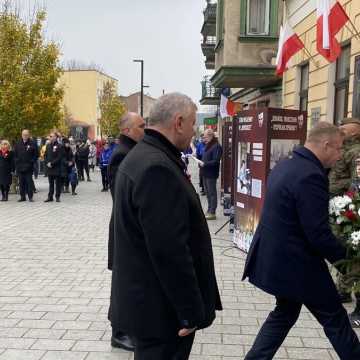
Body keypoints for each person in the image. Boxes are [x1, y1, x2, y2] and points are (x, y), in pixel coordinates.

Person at [110, 93, 222, 360]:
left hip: (150, 304)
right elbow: (169, 250)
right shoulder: (155, 167)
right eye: (194, 123)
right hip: (161, 312)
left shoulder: (147, 155)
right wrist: (189, 312)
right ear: (178, 122)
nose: (195, 131)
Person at [242, 122, 360, 360]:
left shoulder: (287, 165)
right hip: (299, 265)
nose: (339, 157)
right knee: (335, 318)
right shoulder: (311, 175)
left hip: (279, 259)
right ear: (326, 145)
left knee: (284, 314)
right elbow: (318, 234)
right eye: (338, 150)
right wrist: (350, 264)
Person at [107, 111, 145, 351]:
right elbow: (121, 196)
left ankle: (126, 327)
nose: (145, 128)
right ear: (127, 130)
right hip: (125, 227)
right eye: (141, 125)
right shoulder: (122, 155)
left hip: (127, 225)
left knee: (129, 278)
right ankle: (119, 333)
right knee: (123, 280)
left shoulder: (130, 150)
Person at [329, 117, 360, 197]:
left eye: (343, 130)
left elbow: (357, 182)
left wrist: (347, 204)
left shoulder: (356, 151)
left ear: (354, 133)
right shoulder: (342, 148)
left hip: (340, 201)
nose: (339, 132)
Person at [200, 129, 223, 220]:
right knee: (208, 193)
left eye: (205, 137)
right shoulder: (208, 145)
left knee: (212, 193)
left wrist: (205, 164)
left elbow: (216, 161)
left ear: (210, 136)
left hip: (211, 173)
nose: (204, 139)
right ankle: (209, 209)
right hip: (205, 172)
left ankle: (212, 211)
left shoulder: (216, 146)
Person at [14, 129, 37, 202]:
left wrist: (32, 161)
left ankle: (30, 197)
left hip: (29, 167)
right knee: (21, 183)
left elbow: (36, 154)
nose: (25, 136)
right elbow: (15, 154)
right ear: (21, 135)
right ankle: (22, 197)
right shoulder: (18, 143)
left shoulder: (32, 143)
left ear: (28, 135)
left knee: (29, 182)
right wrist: (17, 161)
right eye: (24, 135)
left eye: (26, 135)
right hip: (20, 167)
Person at [44, 132, 63, 203]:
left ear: (55, 137)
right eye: (50, 136)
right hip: (49, 167)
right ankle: (50, 197)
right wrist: (47, 163)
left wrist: (52, 163)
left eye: (51, 136)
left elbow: (59, 157)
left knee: (57, 183)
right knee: (50, 183)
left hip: (56, 167)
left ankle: (57, 197)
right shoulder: (48, 145)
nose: (50, 137)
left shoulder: (59, 146)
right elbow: (45, 155)